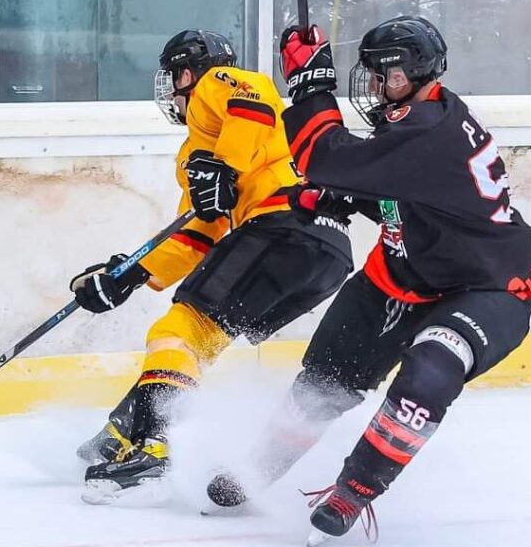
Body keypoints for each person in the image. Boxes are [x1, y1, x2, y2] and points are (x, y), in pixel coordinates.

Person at [205, 16, 531, 544]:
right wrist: (346, 195)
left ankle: (355, 488)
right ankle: (258, 468)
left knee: (432, 368)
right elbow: (405, 191)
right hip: (403, 272)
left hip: (489, 286)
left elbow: (322, 156)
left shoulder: (430, 130)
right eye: (375, 76)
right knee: (326, 377)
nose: (377, 86)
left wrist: (311, 87)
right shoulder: (415, 120)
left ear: (414, 74)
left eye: (387, 76)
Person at [71, 29, 353, 503]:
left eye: (173, 77)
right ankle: (126, 426)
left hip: (283, 226)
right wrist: (132, 274)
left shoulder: (217, 88)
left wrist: (225, 166)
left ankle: (155, 447)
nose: (171, 91)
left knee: (180, 330)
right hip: (326, 251)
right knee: (202, 338)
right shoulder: (196, 154)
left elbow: (256, 99)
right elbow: (199, 232)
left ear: (187, 72)